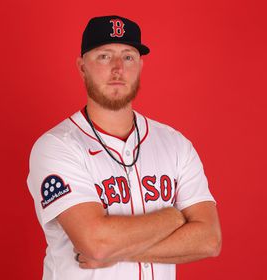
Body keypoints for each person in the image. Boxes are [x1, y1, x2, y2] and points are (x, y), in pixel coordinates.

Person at [27, 15, 222, 280]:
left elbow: (209, 240)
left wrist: (117, 252)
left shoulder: (175, 144)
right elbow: (96, 243)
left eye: (128, 56)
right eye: (105, 56)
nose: (118, 68)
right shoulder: (56, 146)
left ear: (140, 65)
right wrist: (174, 218)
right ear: (82, 66)